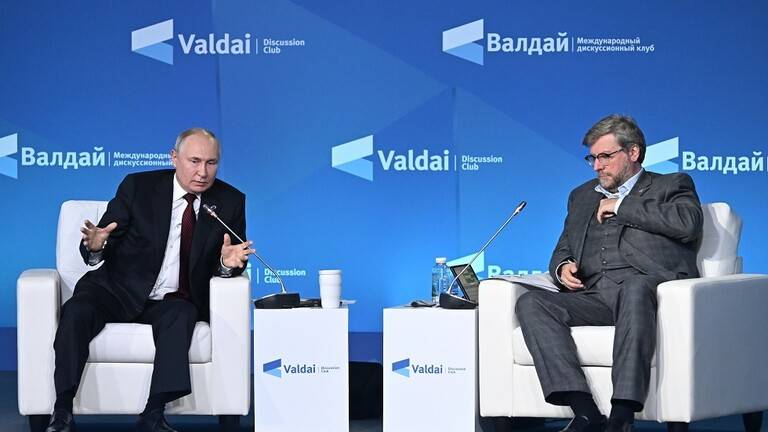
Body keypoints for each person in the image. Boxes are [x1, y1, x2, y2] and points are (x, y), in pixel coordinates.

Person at [46, 128, 254, 432]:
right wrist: (96, 246)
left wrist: (225, 264)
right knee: (76, 311)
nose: (202, 172)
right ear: (174, 158)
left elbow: (231, 259)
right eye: (194, 161)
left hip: (173, 300)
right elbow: (103, 238)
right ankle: (62, 409)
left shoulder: (230, 201)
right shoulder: (138, 187)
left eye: (211, 163)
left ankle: (153, 413)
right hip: (117, 289)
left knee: (182, 314)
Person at [515, 115, 703, 432]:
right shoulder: (581, 196)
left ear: (633, 152)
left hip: (650, 292)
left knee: (634, 287)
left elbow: (688, 224)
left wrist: (621, 205)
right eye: (593, 158)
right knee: (531, 303)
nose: (597, 166)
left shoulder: (671, 184)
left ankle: (622, 414)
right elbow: (563, 248)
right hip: (596, 296)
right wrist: (563, 267)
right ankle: (585, 411)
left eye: (605, 156)